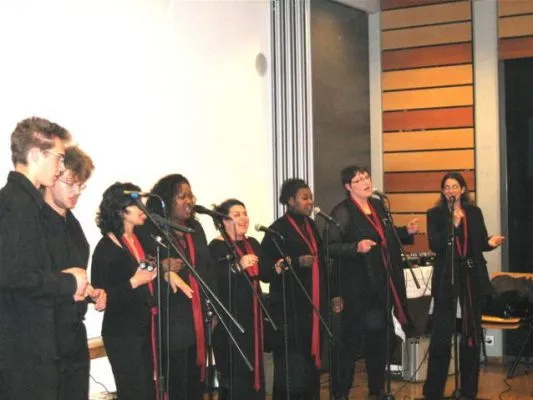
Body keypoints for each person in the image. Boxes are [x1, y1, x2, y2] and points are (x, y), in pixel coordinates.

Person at [0, 117, 89, 399]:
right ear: (37, 154)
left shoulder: (21, 200)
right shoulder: (19, 203)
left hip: (29, 346)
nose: (61, 166)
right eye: (59, 158)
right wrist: (68, 282)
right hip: (25, 351)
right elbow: (12, 275)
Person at [326, 165, 419, 399]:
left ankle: (376, 390)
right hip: (355, 287)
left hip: (380, 284)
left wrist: (405, 232)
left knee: (379, 339)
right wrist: (355, 247)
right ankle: (340, 393)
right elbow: (329, 247)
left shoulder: (377, 205)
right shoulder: (342, 211)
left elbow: (385, 236)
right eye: (358, 180)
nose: (366, 182)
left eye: (366, 177)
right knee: (350, 342)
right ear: (348, 187)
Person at [423, 172, 504, 400]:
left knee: (471, 335)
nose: (450, 190)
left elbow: (480, 243)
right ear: (443, 191)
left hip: (471, 278)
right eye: (446, 187)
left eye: (454, 186)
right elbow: (435, 245)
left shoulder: (474, 212)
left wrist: (491, 243)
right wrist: (453, 224)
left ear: (463, 190)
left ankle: (468, 390)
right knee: (441, 336)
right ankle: (433, 392)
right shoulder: (435, 214)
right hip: (446, 279)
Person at [140, 173, 215, 400]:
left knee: (195, 385)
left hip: (198, 319)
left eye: (190, 196)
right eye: (182, 196)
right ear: (166, 200)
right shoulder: (150, 229)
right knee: (177, 385)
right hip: (171, 322)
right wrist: (161, 267)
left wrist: (214, 310)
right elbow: (140, 267)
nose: (189, 201)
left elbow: (208, 269)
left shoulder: (195, 229)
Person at [41, 145, 106, 400]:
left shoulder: (72, 225)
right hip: (46, 338)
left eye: (81, 185)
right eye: (70, 183)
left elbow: (75, 276)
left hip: (74, 334)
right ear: (51, 178)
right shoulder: (34, 224)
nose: (77, 191)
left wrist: (90, 292)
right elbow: (31, 280)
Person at [91, 182, 158, 400]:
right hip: (122, 333)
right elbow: (99, 298)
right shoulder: (105, 248)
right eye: (136, 204)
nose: (142, 208)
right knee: (133, 392)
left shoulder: (141, 239)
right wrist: (134, 282)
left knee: (149, 391)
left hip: (145, 326)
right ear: (120, 211)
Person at [260, 178, 324, 400]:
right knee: (291, 365)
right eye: (304, 198)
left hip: (311, 305)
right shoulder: (276, 230)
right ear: (289, 201)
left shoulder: (311, 226)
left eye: (310, 197)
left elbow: (321, 259)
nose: (310, 202)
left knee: (309, 362)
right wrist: (296, 262)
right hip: (288, 309)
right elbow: (265, 271)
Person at [208, 199, 266, 400]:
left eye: (245, 213)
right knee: (235, 375)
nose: (244, 218)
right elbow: (214, 281)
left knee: (254, 370)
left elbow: (264, 273)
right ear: (224, 221)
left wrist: (276, 268)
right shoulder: (216, 247)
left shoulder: (252, 243)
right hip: (230, 320)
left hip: (253, 317)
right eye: (237, 214)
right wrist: (237, 267)